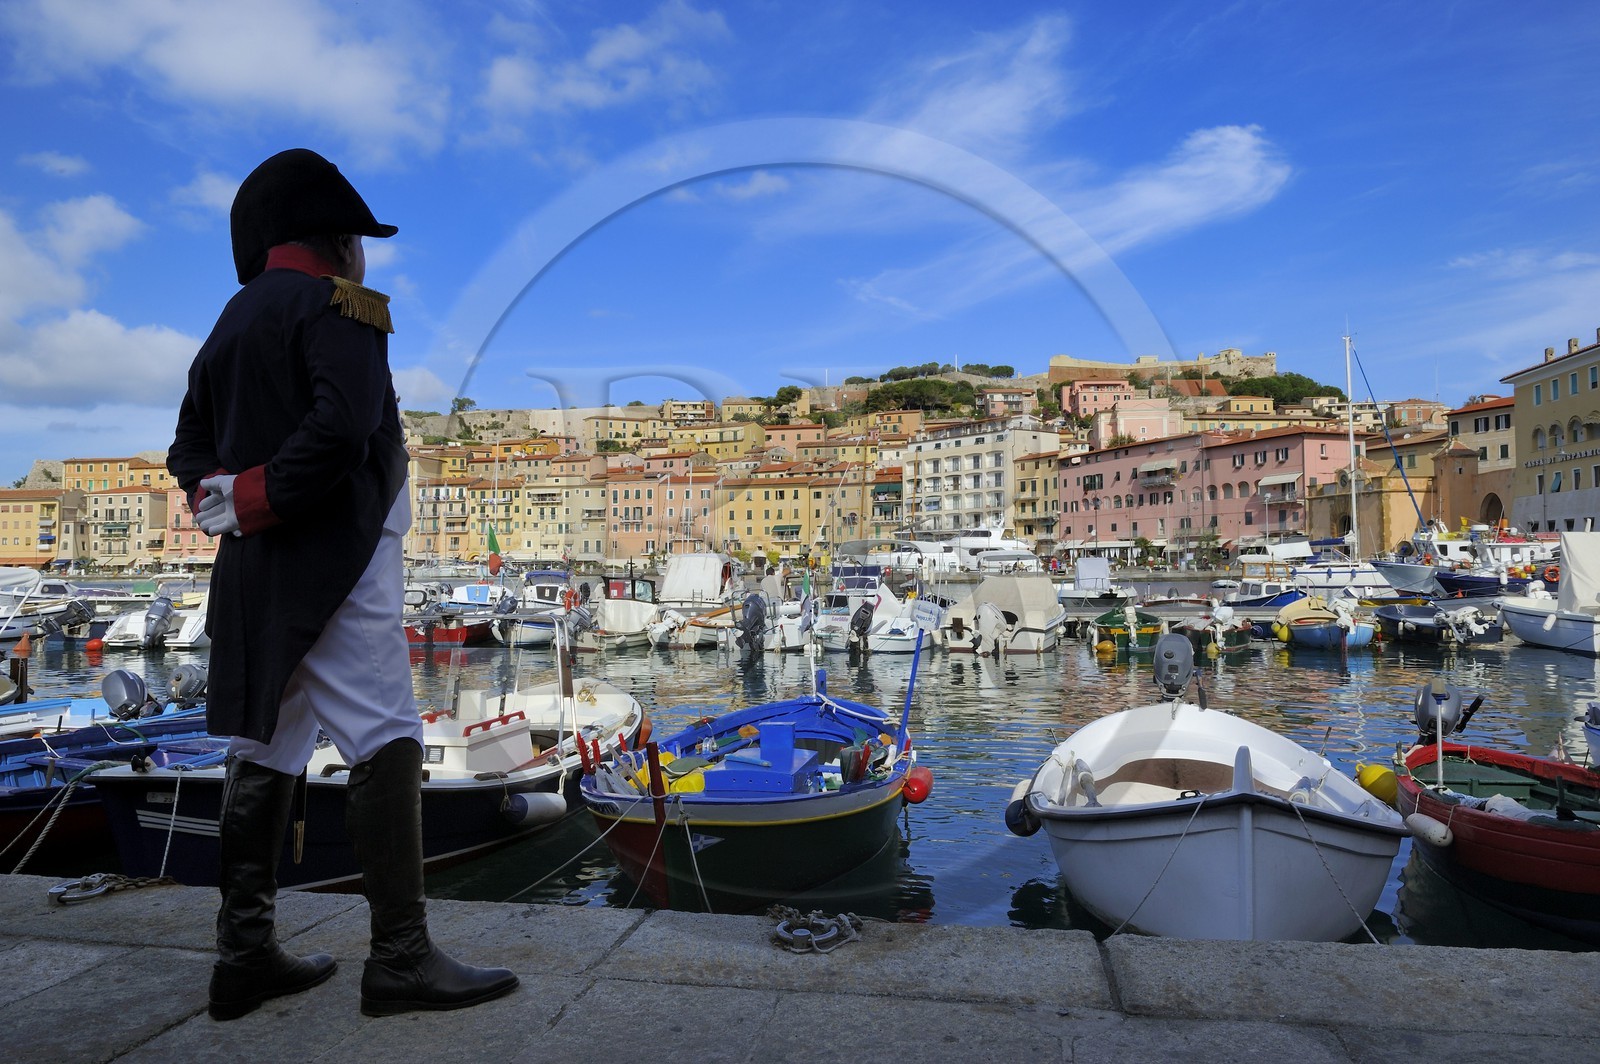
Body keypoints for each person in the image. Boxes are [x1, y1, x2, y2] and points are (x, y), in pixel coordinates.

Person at [168, 148, 517, 1021]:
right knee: (385, 730)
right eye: (358, 239)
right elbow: (348, 424)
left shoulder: (228, 323)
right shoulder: (344, 306)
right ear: (333, 240)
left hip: (254, 571)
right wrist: (260, 495)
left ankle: (242, 955)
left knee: (267, 744)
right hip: (341, 557)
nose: (364, 256)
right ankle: (399, 958)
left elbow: (186, 451)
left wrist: (234, 503)